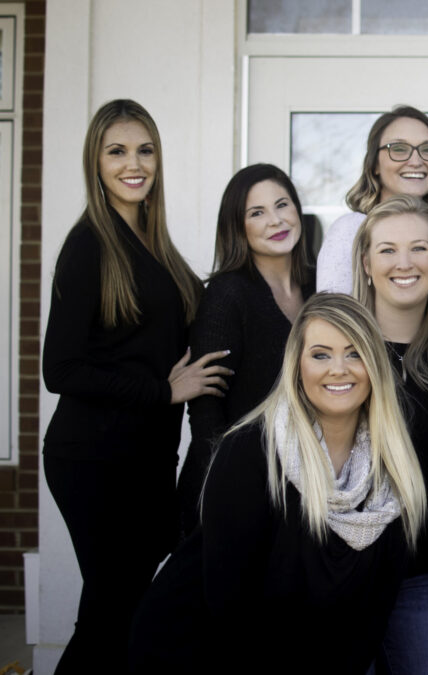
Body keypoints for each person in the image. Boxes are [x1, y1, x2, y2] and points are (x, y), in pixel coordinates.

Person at [130, 293, 427, 673]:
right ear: (297, 366)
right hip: (196, 652)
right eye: (320, 355)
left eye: (354, 354)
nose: (339, 369)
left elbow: (373, 611)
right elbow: (229, 603)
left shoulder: (391, 470)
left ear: (375, 365)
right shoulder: (251, 450)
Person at [41, 99, 227, 672]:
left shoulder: (153, 245)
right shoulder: (89, 245)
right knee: (111, 612)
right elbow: (59, 370)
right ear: (95, 163)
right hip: (94, 459)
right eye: (117, 151)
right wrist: (162, 392)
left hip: (146, 460)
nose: (134, 164)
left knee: (125, 614)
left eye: (145, 150)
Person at [352, 195, 428, 674]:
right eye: (387, 250)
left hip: (427, 574)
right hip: (338, 573)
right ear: (366, 264)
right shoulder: (335, 352)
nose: (404, 263)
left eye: (419, 248)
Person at [176, 163, 315, 535]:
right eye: (257, 213)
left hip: (298, 485)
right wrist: (228, 485)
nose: (275, 220)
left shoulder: (318, 286)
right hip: (232, 491)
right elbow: (206, 411)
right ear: (237, 227)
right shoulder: (227, 295)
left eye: (282, 205)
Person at [316, 105, 428, 336]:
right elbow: (331, 330)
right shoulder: (351, 230)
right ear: (374, 165)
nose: (416, 161)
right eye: (399, 149)